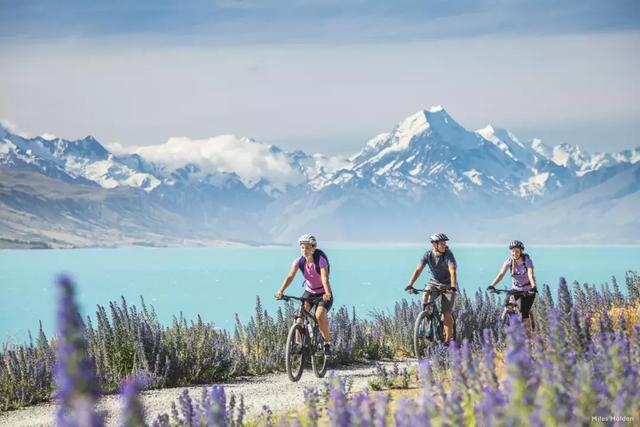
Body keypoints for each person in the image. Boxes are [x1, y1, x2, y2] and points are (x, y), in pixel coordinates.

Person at [275, 234, 334, 355]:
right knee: (299, 317)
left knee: (319, 316)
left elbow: (324, 278)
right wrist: (281, 291)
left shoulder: (320, 261)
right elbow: (290, 276)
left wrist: (327, 292)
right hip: (309, 292)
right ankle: (298, 344)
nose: (304, 250)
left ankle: (327, 344)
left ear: (313, 248)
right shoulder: (299, 261)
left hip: (323, 293)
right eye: (302, 247)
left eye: (307, 247)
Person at [404, 232, 457, 344]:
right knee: (426, 294)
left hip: (448, 284)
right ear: (434, 245)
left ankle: (448, 342)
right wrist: (410, 284)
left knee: (446, 312)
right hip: (434, 282)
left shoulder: (448, 254)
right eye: (441, 243)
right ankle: (427, 317)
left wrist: (453, 286)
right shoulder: (428, 255)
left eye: (444, 243)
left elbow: (452, 270)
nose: (444, 245)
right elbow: (418, 269)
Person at [487, 240, 538, 335]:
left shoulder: (527, 261)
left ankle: (528, 337)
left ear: (521, 251)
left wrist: (533, 287)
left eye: (517, 251)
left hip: (528, 290)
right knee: (507, 304)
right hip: (516, 289)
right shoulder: (509, 261)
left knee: (524, 313)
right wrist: (492, 285)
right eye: (513, 251)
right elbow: (501, 274)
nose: (515, 253)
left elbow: (530, 274)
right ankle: (514, 325)